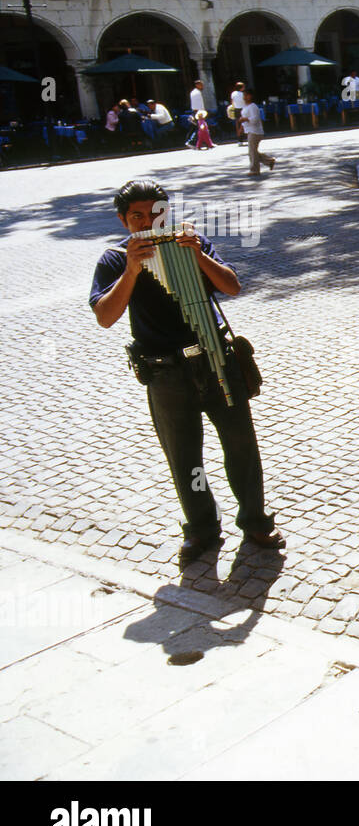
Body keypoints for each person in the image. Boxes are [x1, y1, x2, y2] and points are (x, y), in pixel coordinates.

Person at [89, 179, 284, 562]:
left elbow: (232, 287)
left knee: (240, 444)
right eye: (138, 217)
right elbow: (105, 316)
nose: (149, 223)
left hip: (214, 360)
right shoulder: (114, 259)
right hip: (164, 373)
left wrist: (198, 256)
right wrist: (131, 269)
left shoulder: (192, 244)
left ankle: (255, 520)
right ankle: (202, 528)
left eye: (156, 214)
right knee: (186, 457)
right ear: (123, 220)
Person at [240, 90, 276, 176]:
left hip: (255, 131)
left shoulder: (253, 107)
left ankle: (255, 169)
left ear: (250, 96)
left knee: (252, 151)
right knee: (253, 151)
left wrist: (245, 119)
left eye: (245, 95)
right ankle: (268, 160)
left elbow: (255, 119)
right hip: (249, 130)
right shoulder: (245, 107)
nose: (244, 97)